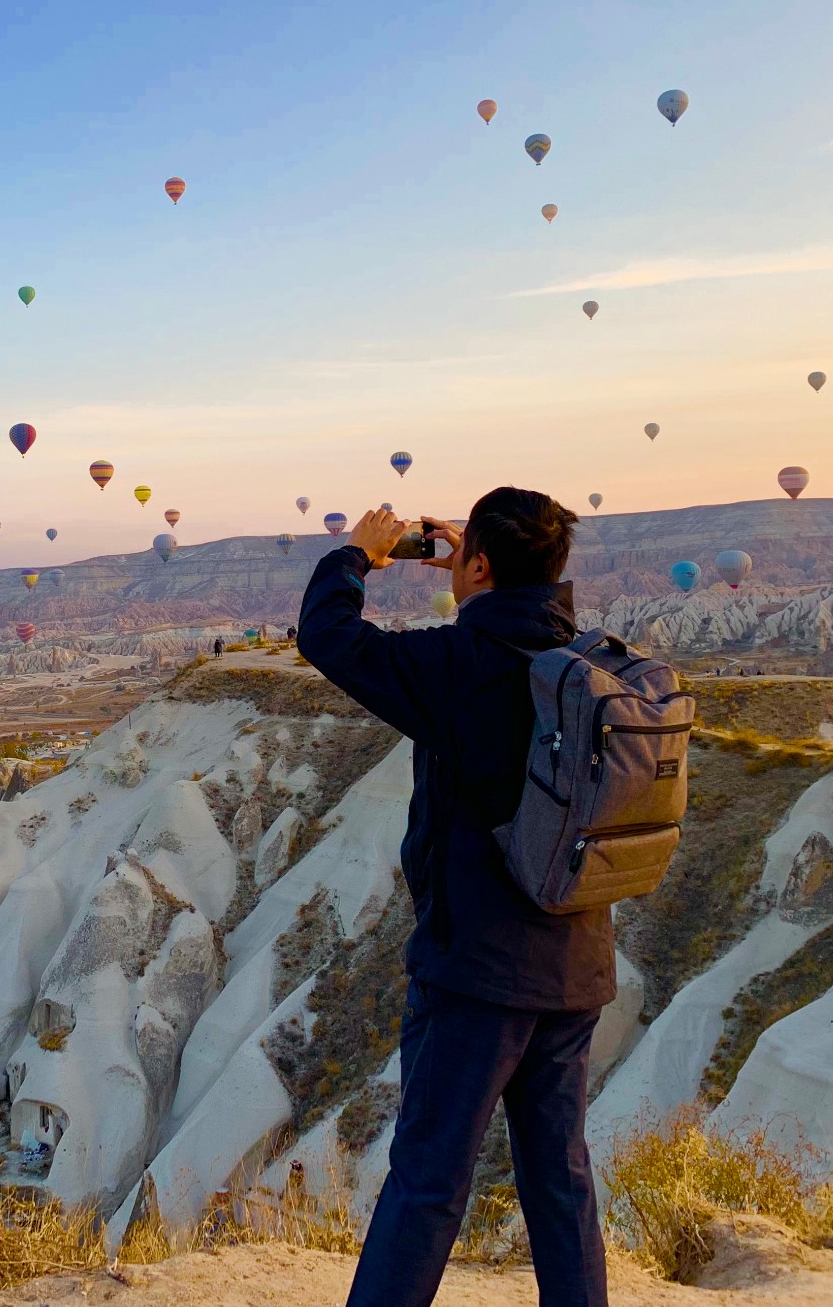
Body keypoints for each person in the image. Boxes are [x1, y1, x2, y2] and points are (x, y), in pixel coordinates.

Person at [296, 489, 609, 1307]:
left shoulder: (460, 667)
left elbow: (330, 637)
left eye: (468, 553)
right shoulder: (591, 666)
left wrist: (356, 555)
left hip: (475, 973)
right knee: (560, 1178)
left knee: (429, 1181)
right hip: (574, 966)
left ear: (477, 564)